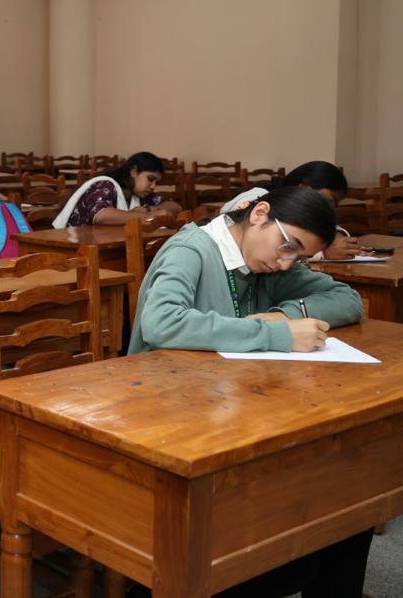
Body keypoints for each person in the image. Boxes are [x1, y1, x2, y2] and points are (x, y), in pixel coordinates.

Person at [127, 187, 369, 597]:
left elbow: (348, 300)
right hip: (170, 419)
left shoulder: (267, 260)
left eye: (299, 257)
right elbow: (161, 322)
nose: (286, 262)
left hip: (232, 412)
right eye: (289, 246)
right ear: (259, 214)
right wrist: (273, 333)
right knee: (310, 529)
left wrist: (283, 315)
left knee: (348, 504)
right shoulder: (192, 250)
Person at [218, 161, 362, 260]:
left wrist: (338, 237)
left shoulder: (299, 210)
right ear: (304, 187)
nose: (326, 209)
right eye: (328, 201)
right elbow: (248, 248)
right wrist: (322, 253)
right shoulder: (256, 198)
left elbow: (330, 229)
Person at [52, 151, 182, 228]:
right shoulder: (105, 185)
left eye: (156, 182)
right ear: (134, 171)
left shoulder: (138, 193)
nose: (153, 186)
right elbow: (101, 215)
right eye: (150, 179)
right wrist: (147, 216)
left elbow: (175, 207)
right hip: (73, 247)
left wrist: (150, 209)